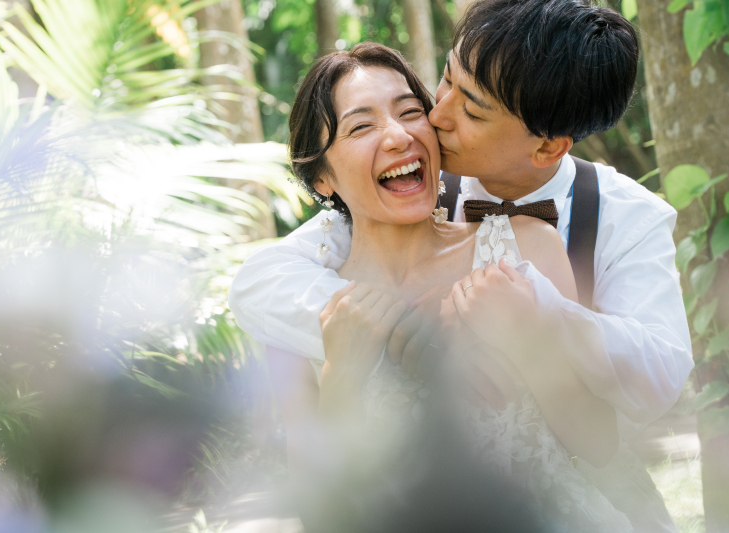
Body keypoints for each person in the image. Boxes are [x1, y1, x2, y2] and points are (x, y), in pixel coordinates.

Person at [242, 41, 676, 531]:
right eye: (361, 126)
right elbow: (321, 514)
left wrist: (531, 338)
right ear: (321, 177)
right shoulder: (304, 304)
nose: (399, 135)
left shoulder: (526, 246)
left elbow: (597, 443)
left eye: (410, 112)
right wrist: (343, 372)